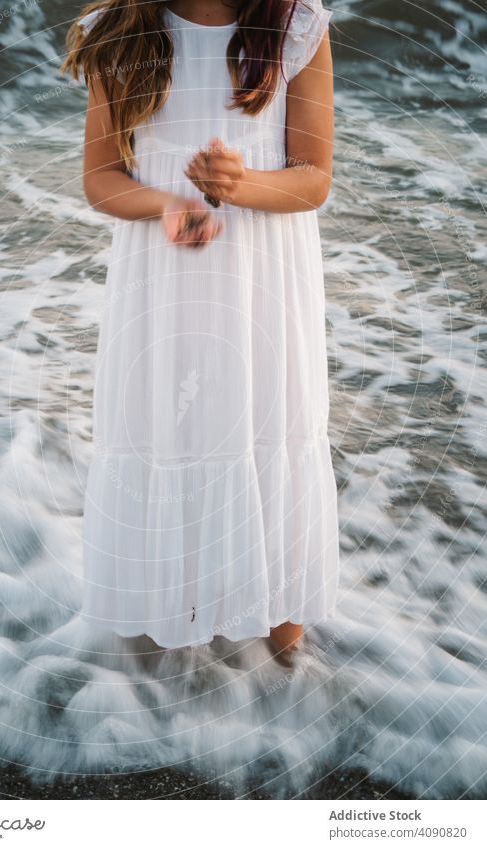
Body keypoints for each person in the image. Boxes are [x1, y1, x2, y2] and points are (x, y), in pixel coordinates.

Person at [61, 0, 340, 661]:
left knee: (270, 424)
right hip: (163, 277)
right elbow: (101, 179)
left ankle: (285, 655)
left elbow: (314, 178)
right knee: (170, 429)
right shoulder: (118, 32)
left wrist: (242, 183)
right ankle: (161, 647)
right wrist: (167, 203)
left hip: (265, 278)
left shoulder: (298, 26)